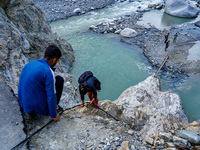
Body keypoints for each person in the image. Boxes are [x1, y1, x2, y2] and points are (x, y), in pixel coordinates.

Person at [18, 45, 64, 121]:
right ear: (54, 59)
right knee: (59, 80)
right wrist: (54, 115)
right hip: (37, 109)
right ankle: (55, 107)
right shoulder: (48, 71)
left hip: (23, 104)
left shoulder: (29, 64)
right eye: (57, 61)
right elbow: (51, 96)